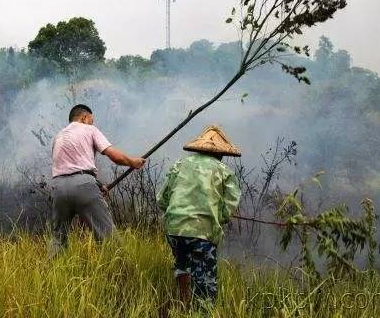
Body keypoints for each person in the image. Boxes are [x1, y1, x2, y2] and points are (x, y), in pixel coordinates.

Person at [156, 125, 241, 311]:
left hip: (174, 230)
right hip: (201, 234)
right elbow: (230, 205)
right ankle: (200, 312)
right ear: (220, 154)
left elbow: (162, 200)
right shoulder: (224, 171)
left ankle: (183, 305)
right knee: (205, 287)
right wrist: (217, 217)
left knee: (182, 265)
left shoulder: (179, 165)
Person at [49, 104, 145, 256]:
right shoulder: (89, 129)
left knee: (58, 238)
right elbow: (113, 155)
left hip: (58, 188)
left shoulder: (58, 137)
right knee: (108, 237)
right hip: (84, 186)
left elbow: (70, 167)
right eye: (91, 120)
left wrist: (98, 185)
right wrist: (133, 162)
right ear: (84, 117)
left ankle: (50, 275)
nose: (92, 124)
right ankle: (123, 274)